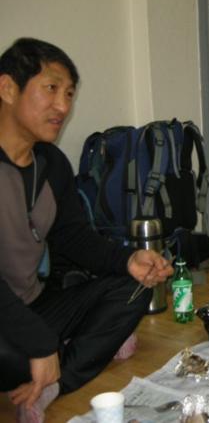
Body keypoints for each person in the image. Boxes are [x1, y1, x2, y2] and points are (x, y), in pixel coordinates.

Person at [0, 37, 174, 423]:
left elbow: (74, 238)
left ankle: (54, 382)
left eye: (69, 94)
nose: (63, 107)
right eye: (51, 88)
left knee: (134, 287)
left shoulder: (51, 163)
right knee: (12, 359)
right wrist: (39, 342)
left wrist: (129, 259)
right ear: (8, 88)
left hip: (34, 306)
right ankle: (64, 352)